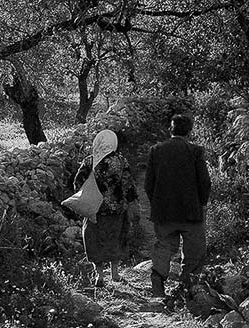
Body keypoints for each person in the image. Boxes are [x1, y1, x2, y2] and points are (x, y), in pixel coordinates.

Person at [144, 114, 211, 298]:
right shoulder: (196, 151)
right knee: (195, 250)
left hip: (164, 212)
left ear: (170, 129)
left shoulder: (156, 150)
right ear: (190, 131)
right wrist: (203, 204)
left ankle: (158, 284)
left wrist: (156, 203)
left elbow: (148, 184)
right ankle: (187, 288)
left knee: (164, 246)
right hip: (192, 211)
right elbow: (205, 182)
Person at [74, 129, 137, 287]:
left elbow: (78, 182)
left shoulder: (90, 161)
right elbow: (128, 184)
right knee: (115, 238)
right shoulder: (121, 161)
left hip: (94, 209)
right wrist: (132, 201)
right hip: (116, 209)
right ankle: (115, 273)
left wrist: (84, 198)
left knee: (94, 239)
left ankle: (99, 275)